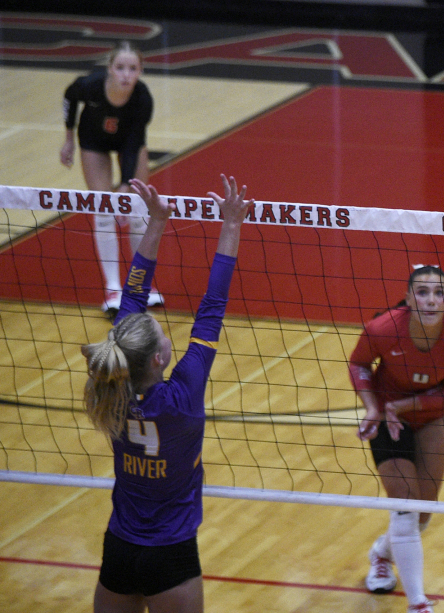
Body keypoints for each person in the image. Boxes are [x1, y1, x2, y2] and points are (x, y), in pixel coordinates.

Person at [81, 175, 253, 613]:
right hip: (171, 553)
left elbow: (134, 292)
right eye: (162, 334)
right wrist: (231, 225)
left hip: (119, 547)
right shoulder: (183, 397)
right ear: (159, 359)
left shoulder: (111, 391)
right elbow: (212, 306)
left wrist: (156, 221)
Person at [348, 265, 444, 613]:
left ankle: (381, 552)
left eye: (438, 293)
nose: (431, 300)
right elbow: (358, 364)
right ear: (408, 298)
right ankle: (418, 603)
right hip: (386, 415)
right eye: (422, 292)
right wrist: (373, 407)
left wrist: (403, 405)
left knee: (423, 513)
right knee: (406, 504)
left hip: (431, 415)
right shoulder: (384, 328)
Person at [60, 42, 161, 313]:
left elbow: (133, 145)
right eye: (120, 68)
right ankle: (113, 289)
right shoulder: (91, 86)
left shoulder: (142, 99)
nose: (126, 75)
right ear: (110, 69)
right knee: (103, 211)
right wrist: (68, 139)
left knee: (138, 212)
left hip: (129, 143)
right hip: (94, 141)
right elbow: (69, 96)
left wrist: (126, 184)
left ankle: (141, 285)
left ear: (140, 71)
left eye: (133, 68)